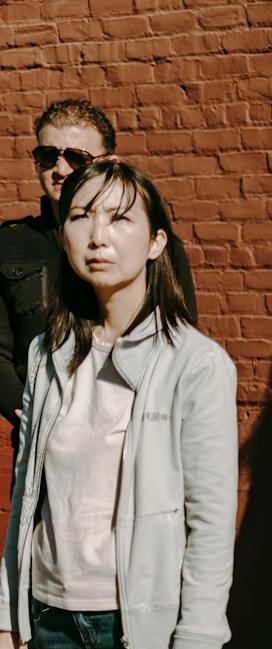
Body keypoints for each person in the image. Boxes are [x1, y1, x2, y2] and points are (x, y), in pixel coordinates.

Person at [0, 161, 236, 649]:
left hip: (151, 627)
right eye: (80, 217)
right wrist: (9, 618)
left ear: (156, 242)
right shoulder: (46, 354)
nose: (98, 234)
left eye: (120, 217)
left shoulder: (196, 363)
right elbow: (28, 496)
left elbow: (211, 520)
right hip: (56, 619)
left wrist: (198, 648)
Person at [0, 100, 196, 435]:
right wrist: (31, 411)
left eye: (76, 157)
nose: (60, 169)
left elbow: (177, 338)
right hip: (40, 437)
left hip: (128, 436)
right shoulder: (11, 244)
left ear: (109, 162)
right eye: (48, 155)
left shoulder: (148, 244)